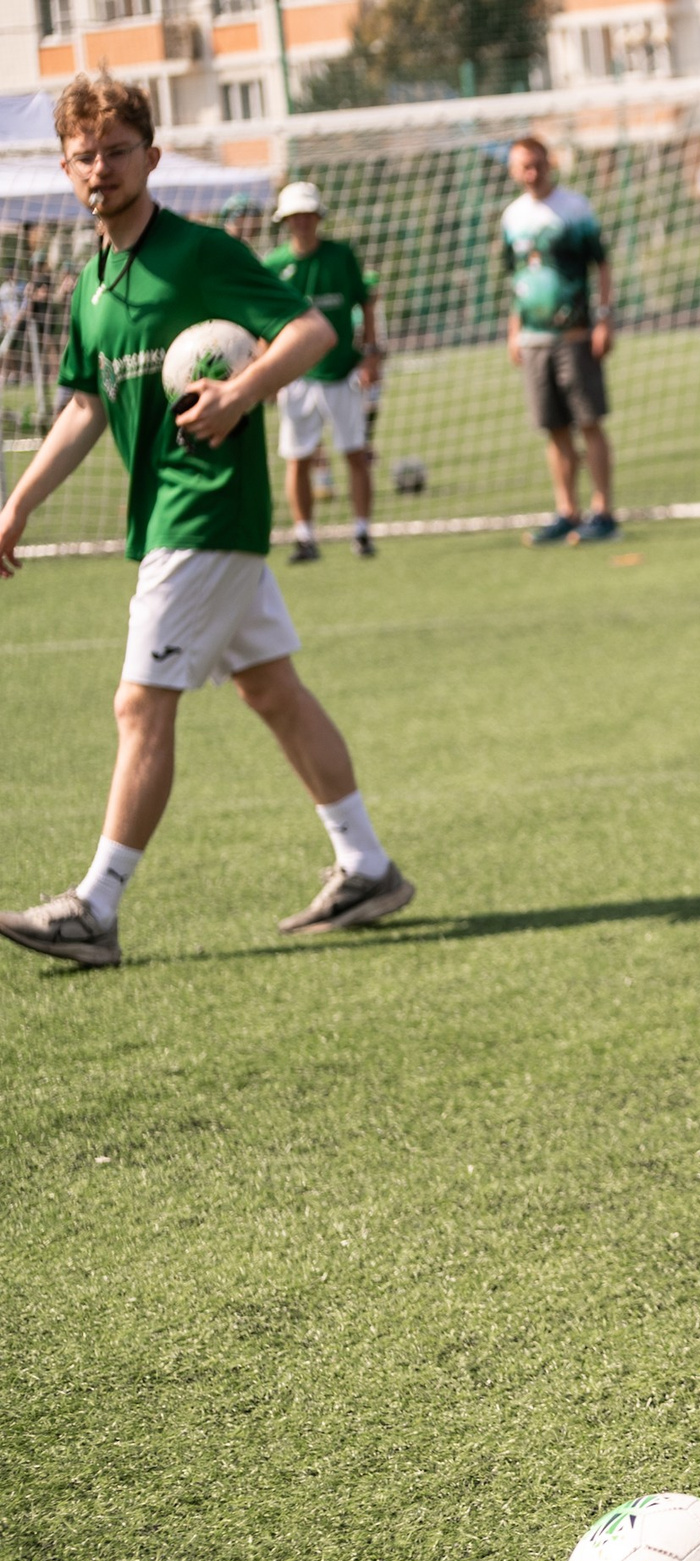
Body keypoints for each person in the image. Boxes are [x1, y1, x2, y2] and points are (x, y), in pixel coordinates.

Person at [0, 74, 414, 969]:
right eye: (86, 155)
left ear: (151, 157)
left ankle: (96, 907)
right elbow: (82, 408)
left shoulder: (197, 253)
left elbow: (309, 332)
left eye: (118, 151)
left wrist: (241, 391)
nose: (101, 168)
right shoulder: (91, 284)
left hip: (208, 508)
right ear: (67, 168)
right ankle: (367, 866)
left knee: (139, 704)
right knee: (271, 689)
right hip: (167, 518)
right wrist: (17, 504)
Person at [501, 135, 617, 546]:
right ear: (513, 171)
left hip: (575, 334)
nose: (531, 173)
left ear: (549, 163)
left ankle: (603, 512)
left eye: (536, 164)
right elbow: (516, 278)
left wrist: (603, 319)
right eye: (523, 166)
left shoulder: (574, 208)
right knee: (554, 429)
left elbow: (601, 266)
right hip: (534, 339)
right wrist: (514, 331)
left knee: (589, 422)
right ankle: (567, 511)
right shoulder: (512, 216)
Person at [263, 181, 380, 563]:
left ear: (318, 217)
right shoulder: (275, 266)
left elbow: (365, 303)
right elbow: (267, 324)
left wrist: (370, 354)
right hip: (295, 377)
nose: (302, 223)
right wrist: (267, 371)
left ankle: (362, 532)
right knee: (297, 458)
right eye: (295, 217)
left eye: (308, 215)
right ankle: (304, 537)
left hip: (342, 372)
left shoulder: (341, 256)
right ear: (285, 221)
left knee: (355, 454)